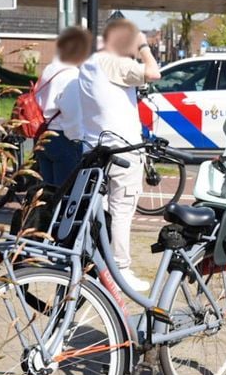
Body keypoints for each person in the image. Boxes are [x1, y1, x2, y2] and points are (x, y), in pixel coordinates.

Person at [77, 16, 162, 293]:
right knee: (122, 211)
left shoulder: (88, 63)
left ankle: (96, 264)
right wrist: (144, 46)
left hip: (94, 149)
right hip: (123, 150)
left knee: (98, 211)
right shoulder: (115, 62)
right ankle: (120, 271)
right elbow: (153, 73)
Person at [33, 27, 93, 188]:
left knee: (47, 191)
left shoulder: (49, 70)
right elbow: (72, 111)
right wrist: (77, 138)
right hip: (62, 137)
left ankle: (44, 213)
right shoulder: (71, 75)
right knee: (64, 192)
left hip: (42, 133)